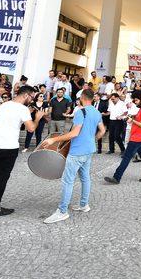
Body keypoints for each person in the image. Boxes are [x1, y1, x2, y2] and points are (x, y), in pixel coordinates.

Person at [43, 89, 105, 224]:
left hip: (77, 151)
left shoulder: (80, 112)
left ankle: (62, 211)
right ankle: (84, 205)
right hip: (89, 150)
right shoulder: (97, 112)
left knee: (68, 181)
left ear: (82, 97)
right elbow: (103, 130)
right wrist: (93, 139)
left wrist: (54, 140)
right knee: (85, 178)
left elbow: (74, 133)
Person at [0, 86, 45, 217]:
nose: (32, 99)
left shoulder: (4, 104)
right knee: (2, 177)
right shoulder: (23, 109)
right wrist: (38, 117)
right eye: (32, 97)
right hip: (8, 147)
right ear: (26, 95)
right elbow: (31, 129)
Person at [104, 89, 141, 184]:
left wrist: (132, 120)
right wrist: (133, 117)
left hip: (137, 139)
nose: (134, 102)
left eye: (136, 100)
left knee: (126, 158)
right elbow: (139, 117)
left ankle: (116, 177)